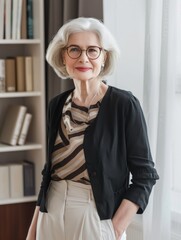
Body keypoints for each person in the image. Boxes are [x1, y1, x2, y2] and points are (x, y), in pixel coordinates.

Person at [26, 17, 159, 240]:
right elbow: (49, 173)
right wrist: (33, 230)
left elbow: (145, 176)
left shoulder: (124, 104)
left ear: (104, 57)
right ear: (63, 55)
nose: (83, 58)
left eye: (93, 50)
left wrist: (114, 229)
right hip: (50, 214)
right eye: (74, 49)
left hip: (96, 217)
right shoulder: (56, 104)